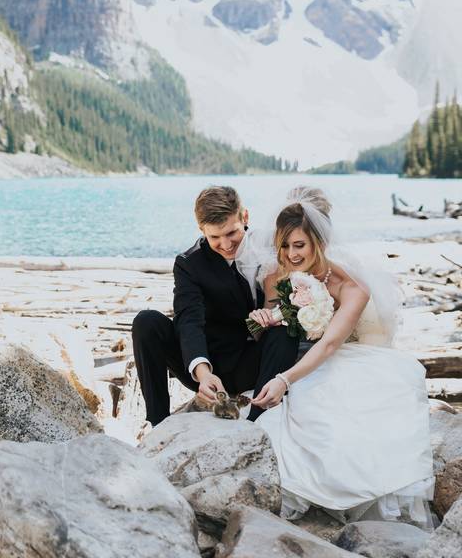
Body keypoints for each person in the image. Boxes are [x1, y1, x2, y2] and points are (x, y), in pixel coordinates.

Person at [247, 190, 434, 525]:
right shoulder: (274, 275)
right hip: (295, 357)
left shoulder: (352, 288)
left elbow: (330, 344)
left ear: (318, 242)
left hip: (342, 356)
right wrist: (264, 318)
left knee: (340, 421)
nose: (290, 254)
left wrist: (285, 379)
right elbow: (273, 325)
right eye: (285, 245)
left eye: (299, 245)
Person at [132, 186, 299, 426]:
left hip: (254, 361)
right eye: (214, 237)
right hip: (208, 364)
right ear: (202, 230)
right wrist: (203, 372)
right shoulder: (188, 264)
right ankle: (158, 422)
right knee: (146, 322)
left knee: (284, 331)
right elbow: (189, 320)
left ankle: (257, 419)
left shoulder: (273, 248)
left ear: (245, 217)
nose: (226, 244)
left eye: (231, 233)